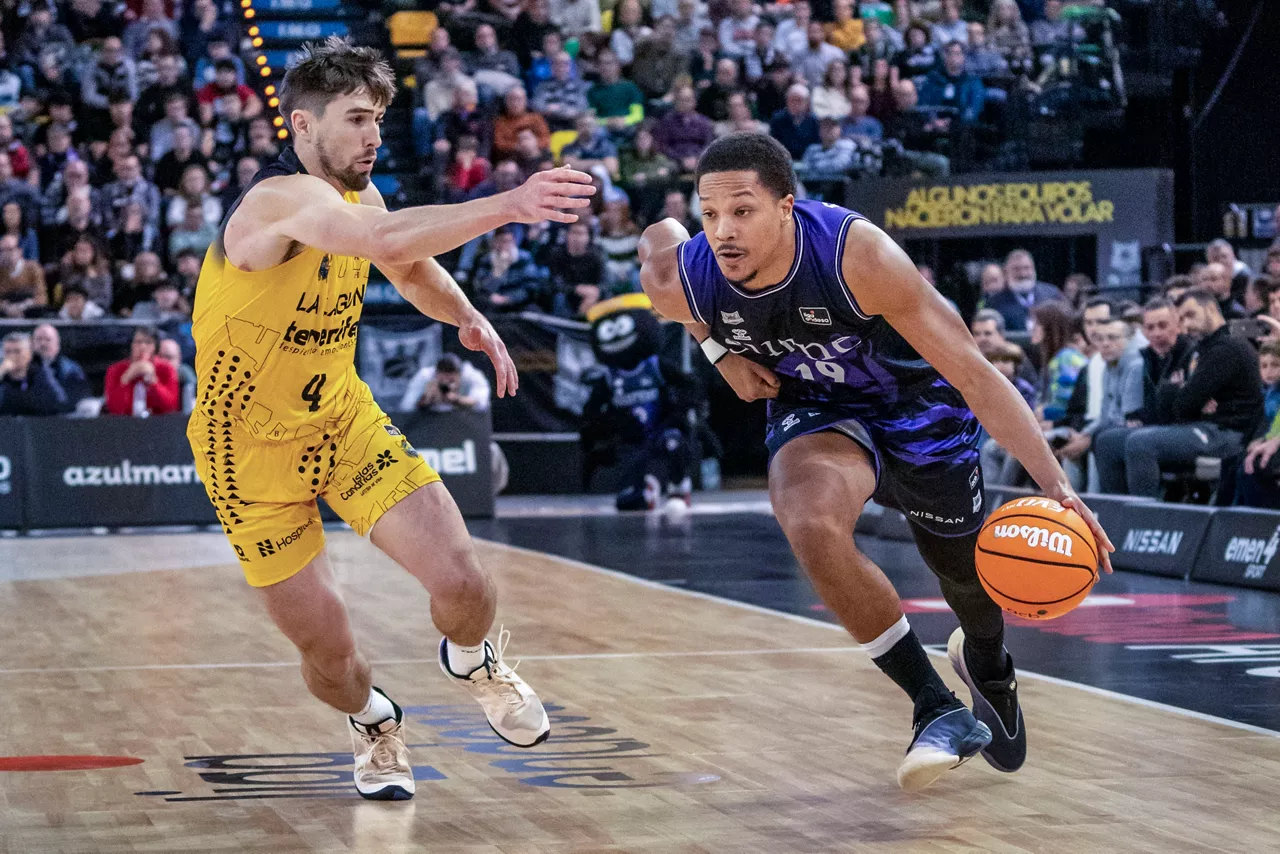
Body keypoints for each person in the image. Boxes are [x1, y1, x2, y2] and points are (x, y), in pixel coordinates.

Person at [636, 133, 1111, 793]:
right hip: (819, 409)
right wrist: (720, 354)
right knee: (806, 517)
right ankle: (933, 705)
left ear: (786, 207)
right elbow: (656, 241)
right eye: (709, 213)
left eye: (742, 210)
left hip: (921, 408)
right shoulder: (684, 275)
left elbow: (975, 374)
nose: (722, 230)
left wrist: (1057, 486)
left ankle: (989, 668)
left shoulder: (855, 254)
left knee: (964, 576)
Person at [186, 38, 593, 801]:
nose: (375, 136)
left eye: (381, 119)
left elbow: (405, 266)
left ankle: (472, 661)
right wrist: (508, 203)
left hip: (340, 421)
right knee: (332, 659)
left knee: (465, 585)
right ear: (302, 127)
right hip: (245, 455)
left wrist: (465, 315)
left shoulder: (361, 197)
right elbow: (384, 241)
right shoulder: (278, 202)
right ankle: (373, 722)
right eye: (356, 119)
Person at [1094, 289, 1263, 498]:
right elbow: (1175, 404)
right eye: (1182, 318)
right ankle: (1113, 519)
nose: (1187, 324)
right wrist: (1183, 395)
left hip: (1225, 433)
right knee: (1107, 441)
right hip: (1200, 425)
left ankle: (1142, 522)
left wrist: (1179, 393)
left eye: (1191, 315)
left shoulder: (1228, 347)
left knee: (1141, 443)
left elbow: (1184, 403)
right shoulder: (1202, 348)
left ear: (1210, 309)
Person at [103, 326, 181, 417]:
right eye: (138, 342)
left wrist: (153, 381)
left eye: (148, 342)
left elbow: (170, 407)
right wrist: (127, 377)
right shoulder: (116, 370)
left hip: (159, 424)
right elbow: (114, 409)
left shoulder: (166, 369)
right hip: (125, 424)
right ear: (131, 345)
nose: (142, 347)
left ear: (155, 347)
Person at [984, 249, 1065, 332]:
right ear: (1006, 271)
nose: (1023, 274)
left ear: (1034, 268)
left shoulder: (1052, 294)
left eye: (1027, 268)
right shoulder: (994, 303)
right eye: (1016, 269)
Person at [0, 331, 70, 416]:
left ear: (29, 354)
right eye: (8, 352)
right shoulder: (2, 374)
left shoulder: (40, 372)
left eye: (17, 351)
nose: (12, 356)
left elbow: (58, 401)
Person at [400, 353, 492, 413]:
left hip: (466, 430)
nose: (446, 381)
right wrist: (426, 400)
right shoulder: (425, 377)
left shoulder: (471, 376)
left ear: (460, 374)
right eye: (442, 373)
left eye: (451, 376)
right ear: (436, 373)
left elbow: (481, 404)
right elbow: (406, 406)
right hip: (430, 430)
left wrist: (455, 400)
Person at [32, 323, 92, 409]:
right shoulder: (24, 367)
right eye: (39, 339)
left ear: (57, 344)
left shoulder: (71, 370)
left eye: (48, 340)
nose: (43, 344)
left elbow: (77, 399)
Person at [158, 335, 197, 414]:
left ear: (179, 358)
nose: (164, 363)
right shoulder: (149, 376)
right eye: (160, 357)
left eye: (169, 357)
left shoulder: (186, 376)